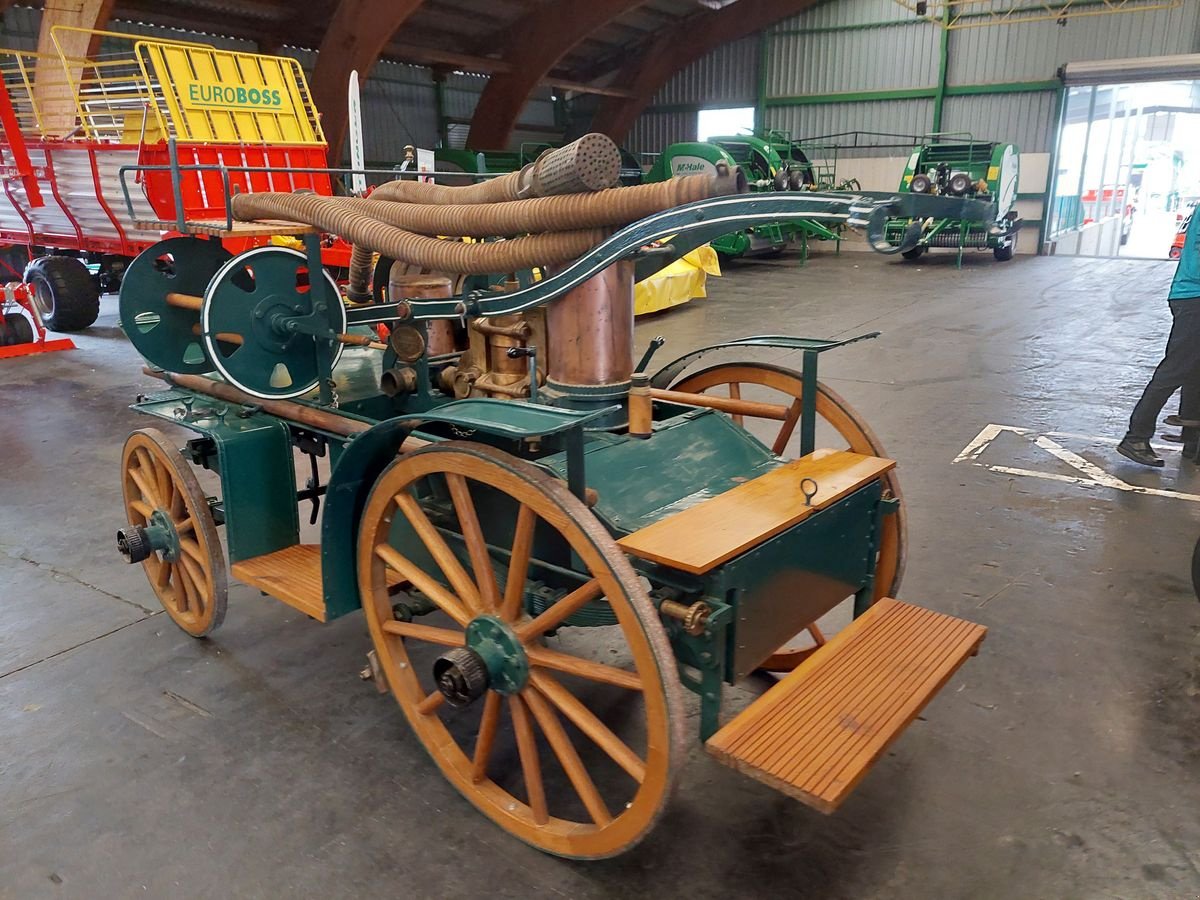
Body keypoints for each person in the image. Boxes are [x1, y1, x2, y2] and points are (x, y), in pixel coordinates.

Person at [1118, 208, 1200, 467]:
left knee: (1194, 369)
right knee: (1175, 370)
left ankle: (1191, 435)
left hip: (1190, 295)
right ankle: (1136, 438)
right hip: (1194, 298)